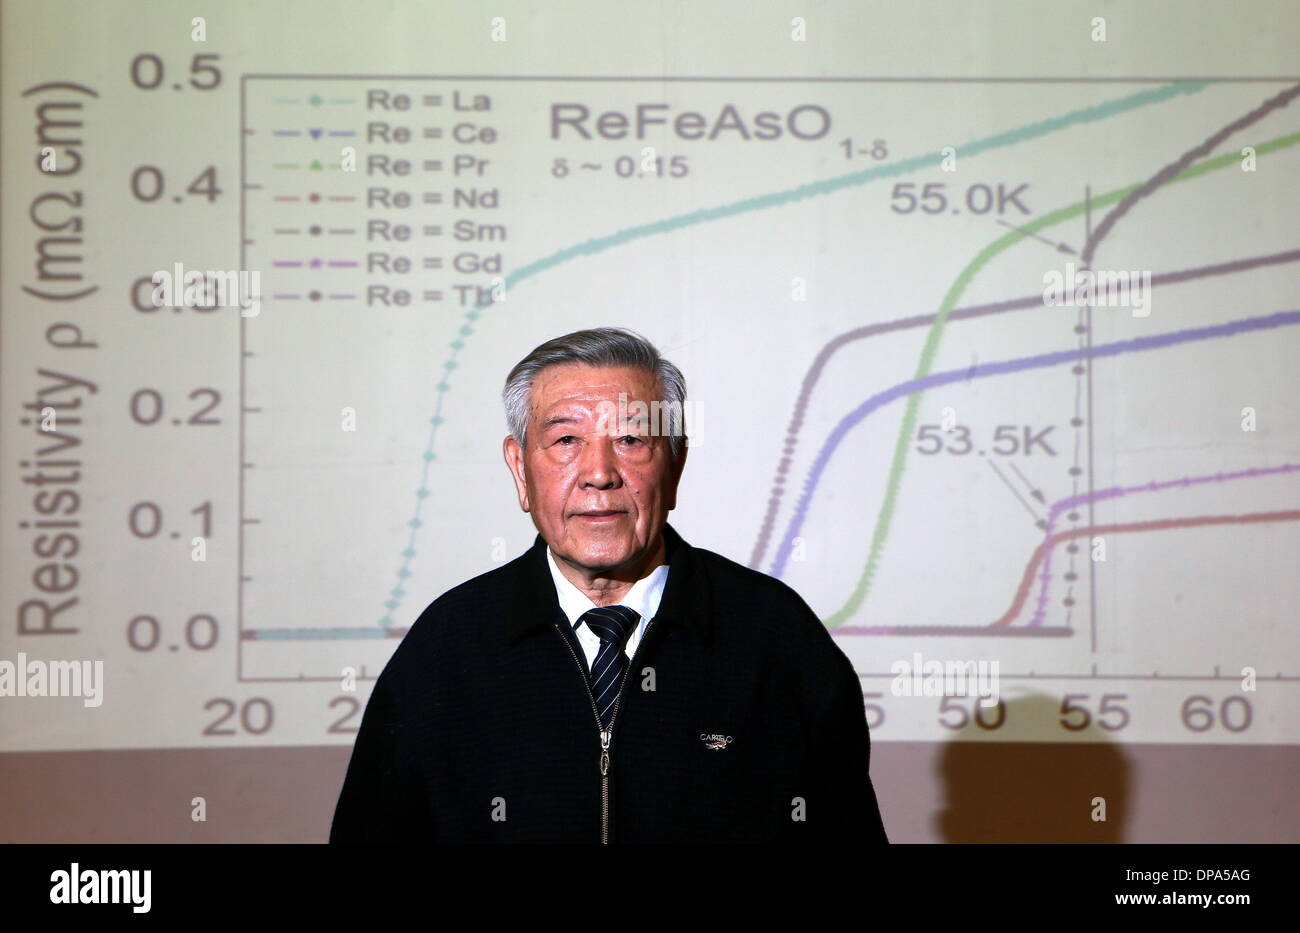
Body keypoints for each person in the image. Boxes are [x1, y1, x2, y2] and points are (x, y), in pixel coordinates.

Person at [329, 326, 888, 843]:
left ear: (675, 464)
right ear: (520, 469)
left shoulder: (775, 636)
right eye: (566, 440)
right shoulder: (448, 645)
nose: (600, 473)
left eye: (630, 439)